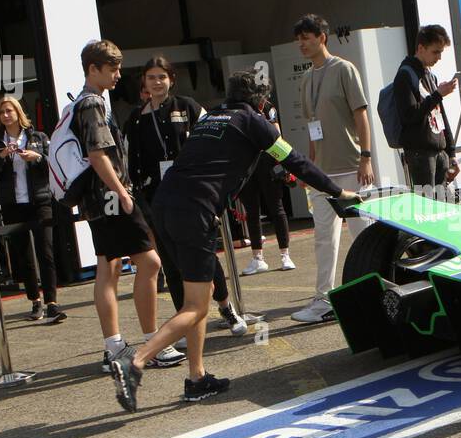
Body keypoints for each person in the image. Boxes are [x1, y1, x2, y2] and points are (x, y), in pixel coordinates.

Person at [110, 71, 358, 410]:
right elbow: (294, 160)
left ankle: (197, 378)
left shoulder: (211, 116)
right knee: (197, 305)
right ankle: (135, 360)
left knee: (197, 297)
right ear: (259, 100)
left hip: (165, 205)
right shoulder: (253, 121)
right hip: (195, 211)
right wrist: (336, 191)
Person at [71, 40, 184, 372]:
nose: (119, 75)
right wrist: (121, 191)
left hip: (97, 198)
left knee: (111, 268)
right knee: (149, 263)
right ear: (94, 69)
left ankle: (115, 348)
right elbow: (97, 154)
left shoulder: (86, 101)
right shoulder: (92, 104)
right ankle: (150, 342)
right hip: (109, 196)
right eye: (113, 69)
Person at [122, 56, 247, 334]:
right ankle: (185, 322)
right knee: (170, 261)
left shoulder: (188, 106)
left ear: (171, 79)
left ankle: (227, 308)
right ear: (144, 81)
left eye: (162, 77)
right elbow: (129, 159)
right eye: (151, 77)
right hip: (157, 199)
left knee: (204, 254)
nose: (157, 82)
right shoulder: (135, 118)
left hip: (192, 195)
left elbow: (214, 141)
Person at [290, 13, 375, 323]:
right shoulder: (306, 79)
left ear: (321, 37)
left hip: (352, 166)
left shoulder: (344, 69)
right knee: (324, 237)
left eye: (306, 37)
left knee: (362, 234)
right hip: (322, 173)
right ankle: (323, 299)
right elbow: (313, 126)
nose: (301, 43)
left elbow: (361, 116)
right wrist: (308, 168)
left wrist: (366, 157)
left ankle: (372, 291)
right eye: (298, 38)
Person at [0, 97, 66, 324]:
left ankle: (52, 303)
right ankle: (34, 300)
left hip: (40, 202)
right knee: (23, 256)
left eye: (9, 111)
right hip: (12, 205)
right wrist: (0, 157)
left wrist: (37, 157)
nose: (6, 115)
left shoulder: (37, 137)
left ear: (19, 113)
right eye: (2, 113)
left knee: (46, 252)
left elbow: (54, 164)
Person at [392, 24, 460, 193]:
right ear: (421, 48)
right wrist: (437, 95)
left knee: (444, 205)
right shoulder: (405, 75)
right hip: (420, 154)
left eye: (441, 52)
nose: (439, 58)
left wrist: (451, 153)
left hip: (439, 151)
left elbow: (441, 116)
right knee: (428, 209)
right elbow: (409, 115)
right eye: (435, 52)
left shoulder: (430, 75)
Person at [238, 83, 295, 274]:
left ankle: (285, 254)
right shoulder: (240, 109)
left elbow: (276, 135)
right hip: (247, 164)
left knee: (276, 208)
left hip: (268, 162)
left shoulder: (269, 108)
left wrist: (285, 163)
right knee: (252, 211)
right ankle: (257, 258)